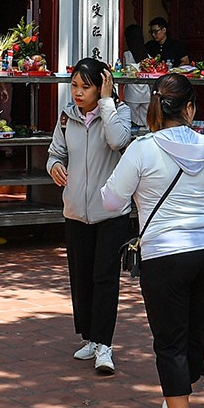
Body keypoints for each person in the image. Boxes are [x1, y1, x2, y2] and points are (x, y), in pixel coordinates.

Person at [100, 73, 204, 408]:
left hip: (166, 253)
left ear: (156, 108)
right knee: (194, 335)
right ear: (191, 108)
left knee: (170, 343)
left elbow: (111, 201)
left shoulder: (142, 150)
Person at [48, 57, 134, 376]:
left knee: (105, 278)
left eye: (86, 87)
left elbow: (118, 141)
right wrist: (54, 167)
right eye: (74, 86)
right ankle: (89, 338)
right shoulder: (67, 118)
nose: (78, 93)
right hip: (75, 211)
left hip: (110, 213)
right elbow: (56, 153)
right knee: (80, 277)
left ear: (102, 87)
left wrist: (109, 102)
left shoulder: (119, 114)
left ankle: (105, 345)